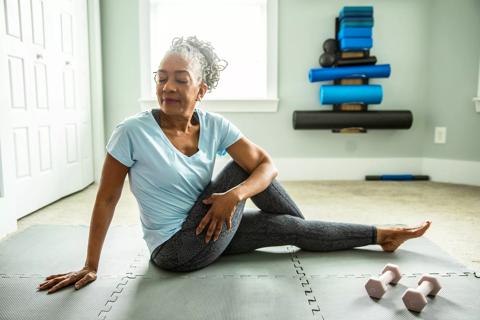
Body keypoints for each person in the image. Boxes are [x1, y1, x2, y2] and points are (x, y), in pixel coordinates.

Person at [37, 36, 431, 294]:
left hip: (209, 225)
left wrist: (234, 196)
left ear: (200, 89)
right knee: (249, 171)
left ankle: (382, 234)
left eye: (180, 79)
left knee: (267, 194)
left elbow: (268, 166)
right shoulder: (131, 133)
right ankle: (309, 233)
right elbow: (106, 199)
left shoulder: (214, 125)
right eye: (161, 78)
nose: (167, 88)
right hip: (176, 250)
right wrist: (90, 265)